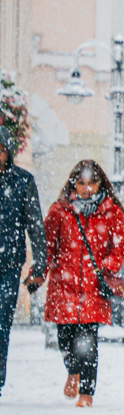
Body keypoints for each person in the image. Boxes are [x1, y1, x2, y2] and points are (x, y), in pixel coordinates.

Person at [43, 160, 124, 408]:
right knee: (64, 339)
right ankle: (73, 370)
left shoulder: (111, 211)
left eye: (92, 182)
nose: (87, 188)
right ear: (74, 184)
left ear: (100, 183)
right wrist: (40, 271)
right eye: (81, 183)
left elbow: (121, 245)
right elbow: (49, 245)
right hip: (64, 287)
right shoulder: (60, 210)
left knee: (89, 342)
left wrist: (107, 266)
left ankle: (87, 393)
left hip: (93, 288)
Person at [0, 125, 47, 400]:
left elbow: (35, 226)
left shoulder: (22, 181)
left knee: (1, 324)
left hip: (7, 264)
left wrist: (39, 265)